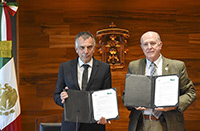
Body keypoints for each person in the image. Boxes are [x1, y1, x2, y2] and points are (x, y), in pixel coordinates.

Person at [122, 31, 197, 131]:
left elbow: (191, 93)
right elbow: (125, 95)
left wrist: (173, 105)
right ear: (141, 47)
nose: (149, 47)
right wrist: (133, 102)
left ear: (160, 45)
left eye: (152, 43)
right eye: (145, 44)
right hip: (141, 124)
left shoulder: (177, 66)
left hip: (168, 124)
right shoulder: (134, 66)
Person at [54, 31, 112, 131]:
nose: (86, 51)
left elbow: (107, 96)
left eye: (89, 47)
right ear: (76, 49)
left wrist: (106, 115)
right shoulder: (65, 67)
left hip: (95, 125)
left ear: (94, 48)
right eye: (82, 47)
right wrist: (63, 99)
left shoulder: (104, 68)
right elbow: (56, 95)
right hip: (71, 125)